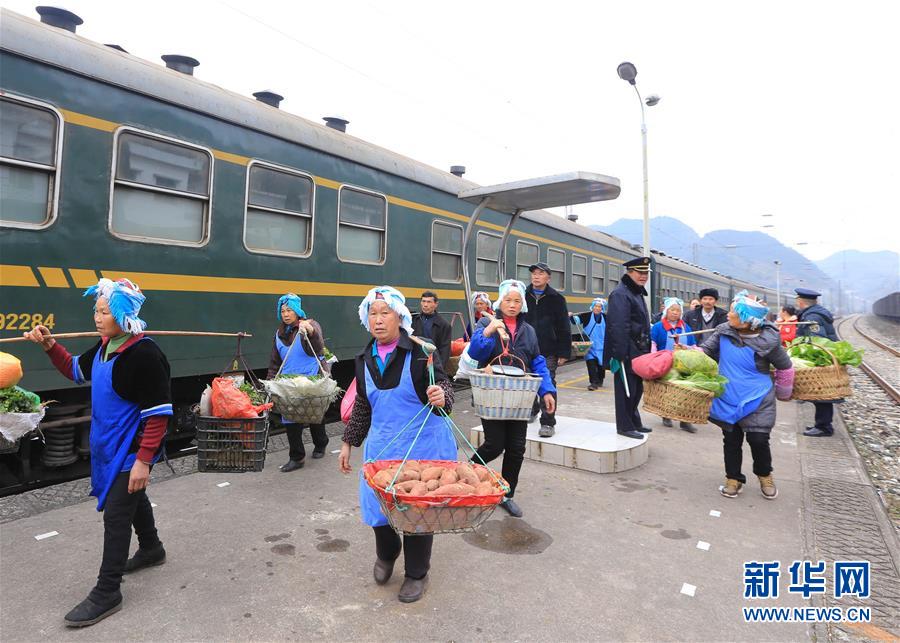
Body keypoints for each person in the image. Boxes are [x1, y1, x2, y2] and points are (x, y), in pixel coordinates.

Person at [24, 278, 172, 627]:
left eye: (105, 312)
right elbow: (75, 369)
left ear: (124, 314)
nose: (97, 317)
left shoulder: (145, 355)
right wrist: (49, 345)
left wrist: (143, 460)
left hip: (129, 448)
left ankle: (108, 591)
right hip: (107, 444)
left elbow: (158, 415)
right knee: (135, 499)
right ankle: (152, 549)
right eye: (96, 310)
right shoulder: (106, 347)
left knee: (117, 515)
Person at [339, 286, 456, 603]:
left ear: (400, 318)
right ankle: (387, 554)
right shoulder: (364, 359)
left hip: (422, 447)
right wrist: (350, 441)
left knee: (416, 513)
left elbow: (445, 387)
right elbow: (364, 404)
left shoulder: (422, 353)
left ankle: (417, 574)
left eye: (384, 313)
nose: (378, 320)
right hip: (382, 446)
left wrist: (442, 395)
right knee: (379, 508)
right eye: (372, 314)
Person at [468, 279, 556, 518]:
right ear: (500, 301)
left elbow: (537, 361)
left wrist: (546, 391)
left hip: (519, 398)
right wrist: (487, 331)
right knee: (495, 444)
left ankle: (506, 494)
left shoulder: (529, 331)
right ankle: (468, 473)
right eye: (508, 299)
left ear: (523, 304)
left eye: (517, 300)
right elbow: (476, 352)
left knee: (516, 448)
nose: (512, 304)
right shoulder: (486, 322)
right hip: (493, 396)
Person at [698, 291, 794, 499]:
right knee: (731, 440)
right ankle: (733, 479)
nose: (727, 315)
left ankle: (764, 475)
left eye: (732, 312)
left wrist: (783, 393)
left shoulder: (768, 341)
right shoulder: (723, 332)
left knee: (758, 440)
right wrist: (685, 353)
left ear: (746, 319)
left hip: (757, 398)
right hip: (728, 394)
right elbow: (704, 351)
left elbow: (785, 368)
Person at [267, 293, 329, 472]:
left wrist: (309, 330)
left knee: (314, 414)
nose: (286, 314)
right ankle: (297, 457)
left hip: (311, 380)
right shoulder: (279, 334)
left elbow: (317, 345)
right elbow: (275, 362)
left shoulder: (309, 325)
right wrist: (271, 382)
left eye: (290, 310)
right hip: (289, 383)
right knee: (290, 418)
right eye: (283, 311)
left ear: (297, 311)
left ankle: (321, 443)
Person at [604, 257, 653, 440]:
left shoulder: (635, 292)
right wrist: (619, 355)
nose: (643, 276)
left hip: (638, 350)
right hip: (627, 351)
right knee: (626, 389)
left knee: (636, 389)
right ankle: (624, 426)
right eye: (640, 273)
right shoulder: (621, 294)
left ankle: (634, 421)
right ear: (629, 272)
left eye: (645, 273)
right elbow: (618, 326)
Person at [524, 262, 570, 437]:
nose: (536, 276)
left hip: (548, 349)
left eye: (540, 273)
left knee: (547, 383)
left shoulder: (557, 299)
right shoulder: (522, 296)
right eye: (534, 273)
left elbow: (563, 327)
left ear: (548, 278)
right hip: (525, 348)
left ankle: (548, 422)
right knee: (527, 383)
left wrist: (564, 352)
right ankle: (532, 409)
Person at [794, 288, 839, 437]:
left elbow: (817, 340)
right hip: (824, 358)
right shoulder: (816, 313)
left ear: (800, 302)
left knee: (822, 395)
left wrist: (812, 358)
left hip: (821, 360)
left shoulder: (813, 317)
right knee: (821, 395)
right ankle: (821, 424)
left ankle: (824, 427)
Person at [650, 297, 697, 433]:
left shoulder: (685, 327)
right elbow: (653, 344)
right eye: (672, 310)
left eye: (678, 310)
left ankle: (685, 421)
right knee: (667, 391)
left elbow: (693, 344)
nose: (675, 313)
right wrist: (654, 359)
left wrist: (693, 350)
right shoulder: (658, 327)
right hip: (665, 364)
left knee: (686, 392)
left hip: (684, 364)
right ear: (666, 311)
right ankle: (666, 415)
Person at [570, 298, 607, 390]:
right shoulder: (586, 316)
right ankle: (593, 383)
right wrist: (571, 316)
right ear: (592, 306)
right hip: (589, 346)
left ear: (602, 308)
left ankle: (600, 379)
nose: (597, 308)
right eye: (595, 306)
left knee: (600, 365)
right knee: (591, 364)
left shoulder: (606, 317)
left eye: (599, 307)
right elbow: (576, 321)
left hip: (602, 346)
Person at [411, 290, 451, 368]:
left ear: (436, 304)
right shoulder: (413, 321)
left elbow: (445, 350)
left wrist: (439, 368)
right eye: (423, 301)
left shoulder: (444, 325)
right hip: (415, 362)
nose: (425, 305)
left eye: (429, 302)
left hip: (433, 363)